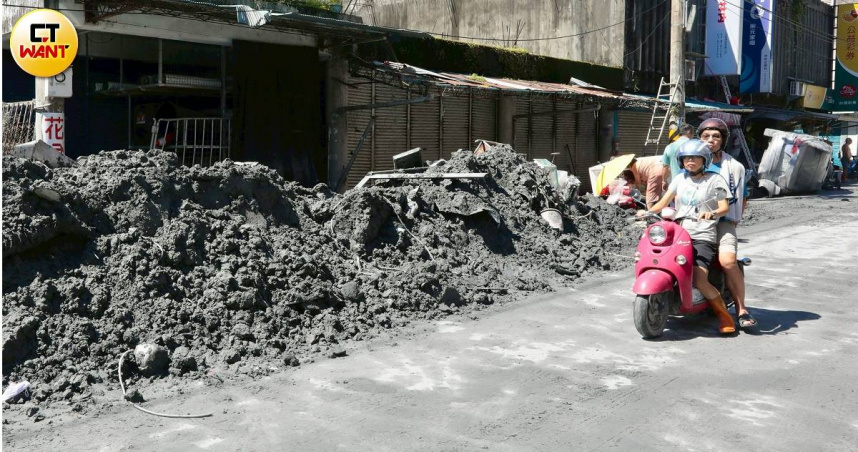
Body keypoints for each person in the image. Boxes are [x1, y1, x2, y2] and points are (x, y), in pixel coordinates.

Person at [639, 139, 735, 334]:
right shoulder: (679, 179)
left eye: (695, 157)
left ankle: (725, 317)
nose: (690, 161)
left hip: (702, 234)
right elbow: (664, 202)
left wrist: (712, 213)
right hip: (679, 231)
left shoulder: (715, 179)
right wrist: (647, 212)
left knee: (699, 279)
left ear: (704, 159)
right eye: (686, 158)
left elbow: (724, 207)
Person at [698, 117, 756, 330]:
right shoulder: (688, 161)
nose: (711, 140)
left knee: (728, 262)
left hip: (723, 220)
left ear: (723, 140)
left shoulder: (734, 167)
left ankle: (741, 309)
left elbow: (744, 196)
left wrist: (733, 220)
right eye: (706, 136)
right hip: (691, 221)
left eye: (716, 136)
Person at [662, 124, 696, 188]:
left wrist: (664, 181)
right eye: (693, 133)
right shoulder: (693, 145)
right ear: (689, 132)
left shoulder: (669, 147)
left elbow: (665, 166)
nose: (693, 136)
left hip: (676, 184)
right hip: (692, 183)